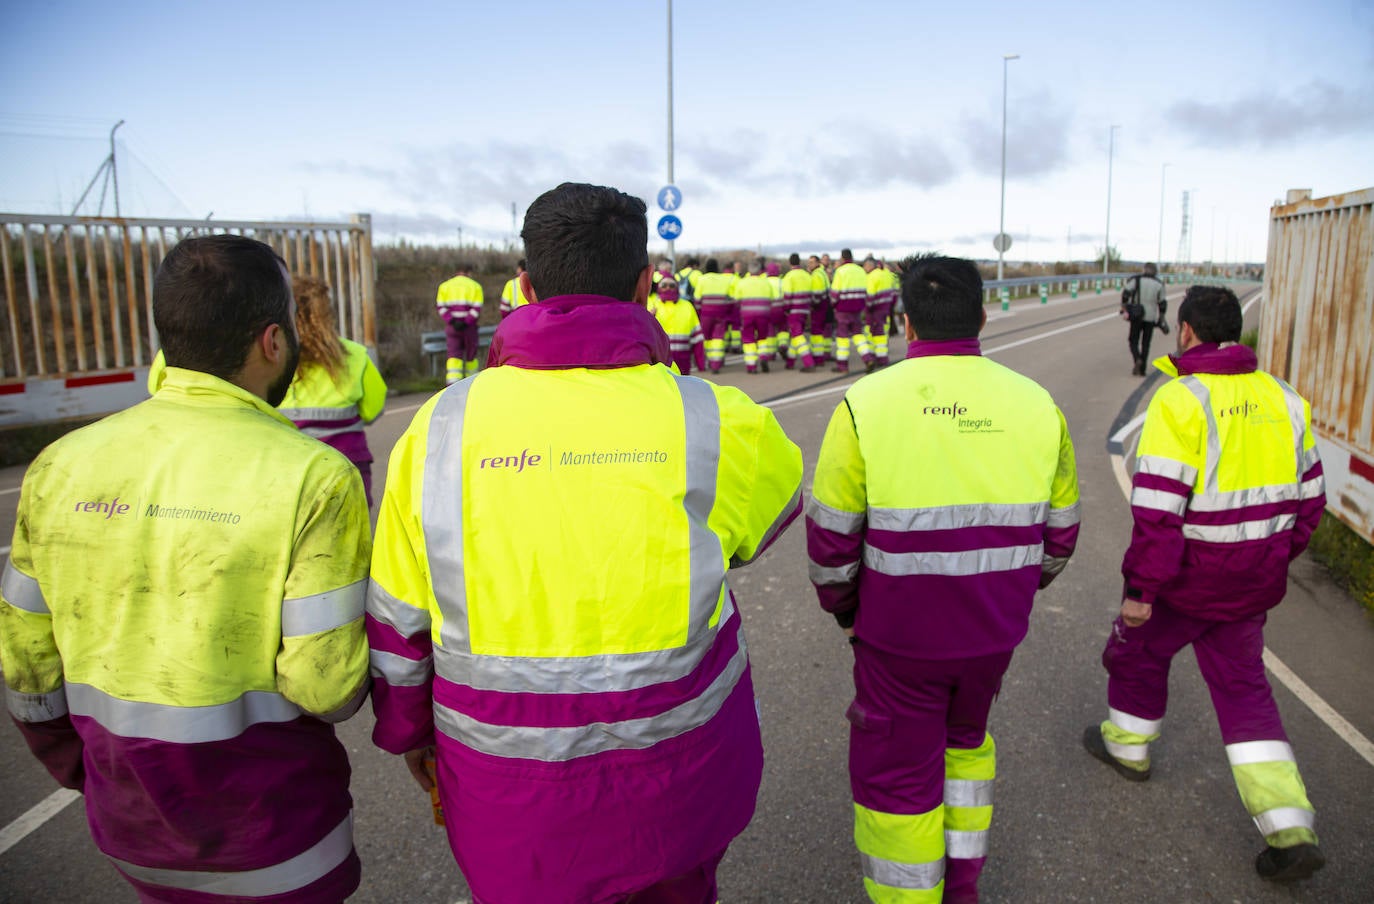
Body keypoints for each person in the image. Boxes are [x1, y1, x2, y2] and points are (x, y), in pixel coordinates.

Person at [366, 181, 804, 904]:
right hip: (680, 779)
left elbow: (399, 619)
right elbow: (772, 513)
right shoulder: (711, 417)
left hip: (504, 790)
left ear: (526, 287)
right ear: (644, 287)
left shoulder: (439, 429)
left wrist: (412, 732)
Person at [0, 234, 372, 902]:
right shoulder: (316, 477)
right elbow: (328, 689)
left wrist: (85, 770)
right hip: (277, 834)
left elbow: (27, 669)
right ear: (272, 341)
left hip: (130, 828)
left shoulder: (58, 464)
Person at [807, 255, 1080, 904]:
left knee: (898, 781)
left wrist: (847, 610)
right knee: (966, 748)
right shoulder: (1037, 405)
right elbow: (1061, 534)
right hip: (993, 636)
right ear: (984, 316)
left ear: (904, 323)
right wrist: (1009, 590)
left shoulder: (866, 403)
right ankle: (962, 887)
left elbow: (830, 546)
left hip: (896, 642)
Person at [1083, 285, 1327, 883]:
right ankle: (1290, 828)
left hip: (1186, 584)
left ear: (1187, 332)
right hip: (1251, 585)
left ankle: (1129, 749)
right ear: (1236, 332)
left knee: (1136, 652)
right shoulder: (1286, 397)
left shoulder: (1180, 400)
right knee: (1246, 694)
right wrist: (1270, 558)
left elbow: (1159, 512)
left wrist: (1141, 593)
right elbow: (1311, 501)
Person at [277, 275, 388, 507]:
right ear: (327, 313)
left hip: (290, 471)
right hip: (348, 465)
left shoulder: (275, 359)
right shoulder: (356, 356)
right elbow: (373, 409)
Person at [436, 262, 484, 383]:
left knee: (453, 357)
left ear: (456, 271)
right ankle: (471, 384)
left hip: (452, 328)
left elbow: (441, 307)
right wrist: (466, 321)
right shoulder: (475, 286)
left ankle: (452, 385)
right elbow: (477, 308)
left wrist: (452, 321)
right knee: (471, 357)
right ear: (469, 272)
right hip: (469, 328)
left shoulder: (444, 286)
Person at [829, 248, 875, 373]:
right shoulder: (860, 270)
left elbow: (835, 292)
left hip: (843, 308)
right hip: (858, 308)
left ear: (842, 258)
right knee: (858, 334)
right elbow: (867, 290)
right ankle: (868, 358)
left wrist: (833, 304)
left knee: (842, 337)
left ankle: (842, 365)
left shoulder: (840, 271)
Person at [649, 274, 706, 374]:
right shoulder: (652, 305)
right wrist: (649, 317)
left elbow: (697, 338)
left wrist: (700, 363)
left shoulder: (687, 306)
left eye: (671, 285)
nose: (668, 288)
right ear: (659, 287)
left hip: (683, 363)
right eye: (664, 285)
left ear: (677, 287)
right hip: (658, 364)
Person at [732, 257, 779, 373]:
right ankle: (763, 357)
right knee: (762, 337)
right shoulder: (766, 282)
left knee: (748, 339)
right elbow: (772, 299)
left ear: (749, 270)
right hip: (763, 314)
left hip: (747, 315)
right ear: (759, 271)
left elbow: (736, 300)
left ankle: (751, 365)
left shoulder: (742, 282)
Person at [1122, 262, 1167, 375]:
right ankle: (1142, 370)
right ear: (1155, 271)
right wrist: (1161, 318)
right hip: (1150, 318)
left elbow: (1126, 294)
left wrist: (1124, 308)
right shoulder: (1159, 284)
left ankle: (1137, 359)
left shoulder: (1136, 280)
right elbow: (1162, 303)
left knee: (1133, 340)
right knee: (1146, 343)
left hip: (1137, 315)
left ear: (1144, 269)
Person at [695, 257, 737, 373]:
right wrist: (726, 310)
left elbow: (697, 299)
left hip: (706, 314)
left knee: (707, 338)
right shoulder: (724, 280)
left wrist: (699, 312)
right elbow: (732, 299)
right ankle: (716, 363)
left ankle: (709, 360)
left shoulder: (701, 279)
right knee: (718, 338)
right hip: (721, 314)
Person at [781, 253, 816, 371]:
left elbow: (787, 295)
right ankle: (790, 362)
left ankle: (808, 362)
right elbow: (812, 294)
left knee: (797, 335)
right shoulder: (807, 275)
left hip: (794, 310)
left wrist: (785, 309)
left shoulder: (789, 276)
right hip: (805, 309)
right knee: (795, 335)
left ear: (790, 263)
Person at [864, 257, 900, 366]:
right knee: (882, 334)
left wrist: (866, 308)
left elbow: (870, 296)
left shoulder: (871, 276)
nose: (864, 268)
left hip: (875, 310)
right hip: (885, 308)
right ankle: (882, 357)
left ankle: (876, 357)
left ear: (870, 266)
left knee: (873, 334)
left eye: (865, 266)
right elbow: (893, 293)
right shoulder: (886, 275)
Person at [809, 253, 833, 364]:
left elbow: (817, 294)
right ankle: (826, 354)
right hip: (826, 305)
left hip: (819, 307)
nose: (810, 264)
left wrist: (813, 304)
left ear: (818, 263)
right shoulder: (822, 272)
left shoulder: (816, 275)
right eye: (809, 262)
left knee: (816, 333)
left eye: (812, 262)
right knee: (825, 332)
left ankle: (818, 358)